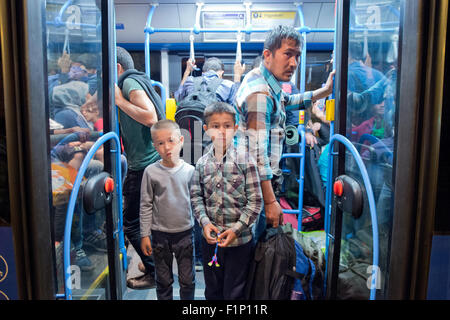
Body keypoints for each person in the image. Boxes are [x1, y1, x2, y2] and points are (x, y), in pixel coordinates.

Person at [234, 25, 335, 240]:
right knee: (256, 250)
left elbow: (288, 101)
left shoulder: (262, 79)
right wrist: (270, 202)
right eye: (288, 54)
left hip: (255, 185)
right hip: (254, 190)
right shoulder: (260, 94)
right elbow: (257, 156)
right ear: (268, 55)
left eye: (297, 56)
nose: (294, 63)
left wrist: (324, 91)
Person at [190, 102, 263, 300]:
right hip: (211, 241)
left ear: (236, 129)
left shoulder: (246, 161)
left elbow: (255, 202)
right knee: (212, 291)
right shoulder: (201, 163)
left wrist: (237, 229)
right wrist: (204, 224)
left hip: (240, 241)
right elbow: (196, 198)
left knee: (236, 292)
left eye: (227, 126)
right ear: (206, 130)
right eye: (215, 126)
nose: (221, 131)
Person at [114, 46, 159, 289]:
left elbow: (150, 117)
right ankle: (151, 261)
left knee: (130, 223)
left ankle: (154, 272)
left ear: (118, 68)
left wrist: (119, 100)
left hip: (143, 165)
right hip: (148, 162)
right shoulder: (137, 81)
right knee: (147, 222)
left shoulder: (129, 83)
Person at [140, 120, 195, 300]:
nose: (166, 147)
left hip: (185, 233)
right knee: (163, 280)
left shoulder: (190, 171)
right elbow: (146, 204)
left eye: (171, 140)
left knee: (187, 280)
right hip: (159, 235)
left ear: (181, 140)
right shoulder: (150, 172)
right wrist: (144, 234)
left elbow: (196, 202)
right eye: (160, 143)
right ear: (154, 146)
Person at [175, 57, 244, 105]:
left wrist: (187, 71)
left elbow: (178, 98)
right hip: (216, 123)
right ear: (221, 73)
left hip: (196, 123)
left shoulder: (190, 80)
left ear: (203, 73)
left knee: (197, 125)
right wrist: (237, 76)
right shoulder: (228, 85)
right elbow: (236, 105)